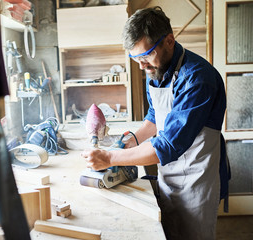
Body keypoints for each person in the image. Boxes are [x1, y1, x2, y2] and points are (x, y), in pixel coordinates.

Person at [81, 6, 230, 240]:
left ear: (169, 41)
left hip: (197, 180)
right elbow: (155, 116)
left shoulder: (198, 78)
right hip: (169, 174)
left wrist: (109, 158)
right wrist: (135, 139)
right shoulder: (157, 69)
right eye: (135, 58)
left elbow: (167, 145)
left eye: (146, 55)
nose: (141, 66)